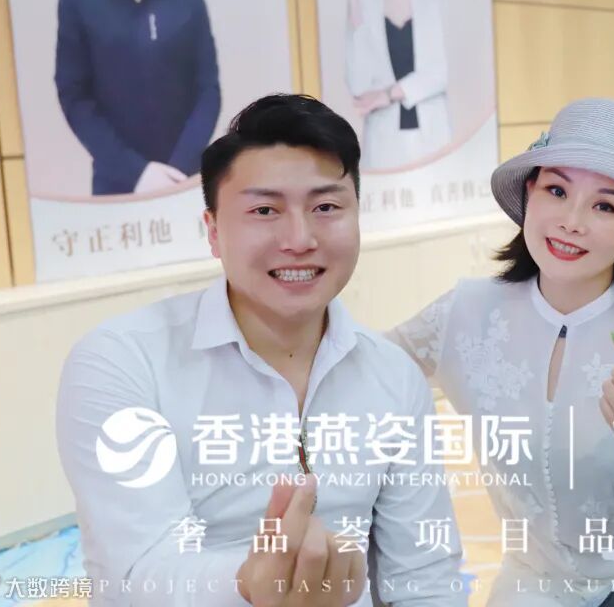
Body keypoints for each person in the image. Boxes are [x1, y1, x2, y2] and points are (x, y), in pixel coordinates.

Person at [56, 95, 465, 606]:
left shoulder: (393, 377)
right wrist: (250, 583)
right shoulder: (123, 362)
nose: (299, 238)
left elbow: (426, 576)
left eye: (326, 207)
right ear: (213, 231)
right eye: (264, 210)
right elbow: (136, 572)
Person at [389, 99, 614, 606]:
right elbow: (360, 373)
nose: (571, 221)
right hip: (527, 588)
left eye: (605, 206)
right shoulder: (466, 312)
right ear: (530, 192)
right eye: (557, 190)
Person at [55, 0, 221, 196]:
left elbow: (208, 90)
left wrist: (178, 171)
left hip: (185, 179)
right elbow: (74, 94)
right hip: (115, 183)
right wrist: (136, 172)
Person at [340, 0, 450, 171]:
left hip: (432, 139)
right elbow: (359, 85)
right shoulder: (362, 2)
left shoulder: (429, 4)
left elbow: (438, 75)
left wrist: (389, 94)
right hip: (384, 144)